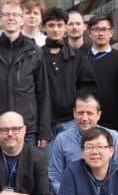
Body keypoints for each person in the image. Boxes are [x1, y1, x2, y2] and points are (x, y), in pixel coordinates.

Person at [0, 0, 51, 147]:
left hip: (27, 130)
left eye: (15, 15)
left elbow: (43, 93)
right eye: (6, 14)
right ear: (1, 20)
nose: (11, 18)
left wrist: (44, 130)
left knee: (27, 170)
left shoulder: (34, 51)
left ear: (22, 20)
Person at [46, 93, 118, 195]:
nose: (84, 118)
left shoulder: (112, 137)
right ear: (74, 113)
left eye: (89, 113)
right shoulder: (62, 139)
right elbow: (55, 177)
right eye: (80, 113)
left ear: (98, 115)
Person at [42, 7, 98, 136]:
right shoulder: (37, 56)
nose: (55, 30)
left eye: (59, 25)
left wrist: (76, 108)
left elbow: (89, 88)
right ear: (44, 27)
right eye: (51, 25)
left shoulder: (77, 57)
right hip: (45, 123)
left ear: (65, 27)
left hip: (72, 122)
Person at [85, 15, 118, 137]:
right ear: (89, 33)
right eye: (96, 29)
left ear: (111, 32)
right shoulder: (81, 57)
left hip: (115, 120)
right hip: (87, 119)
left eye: (104, 29)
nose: (100, 33)